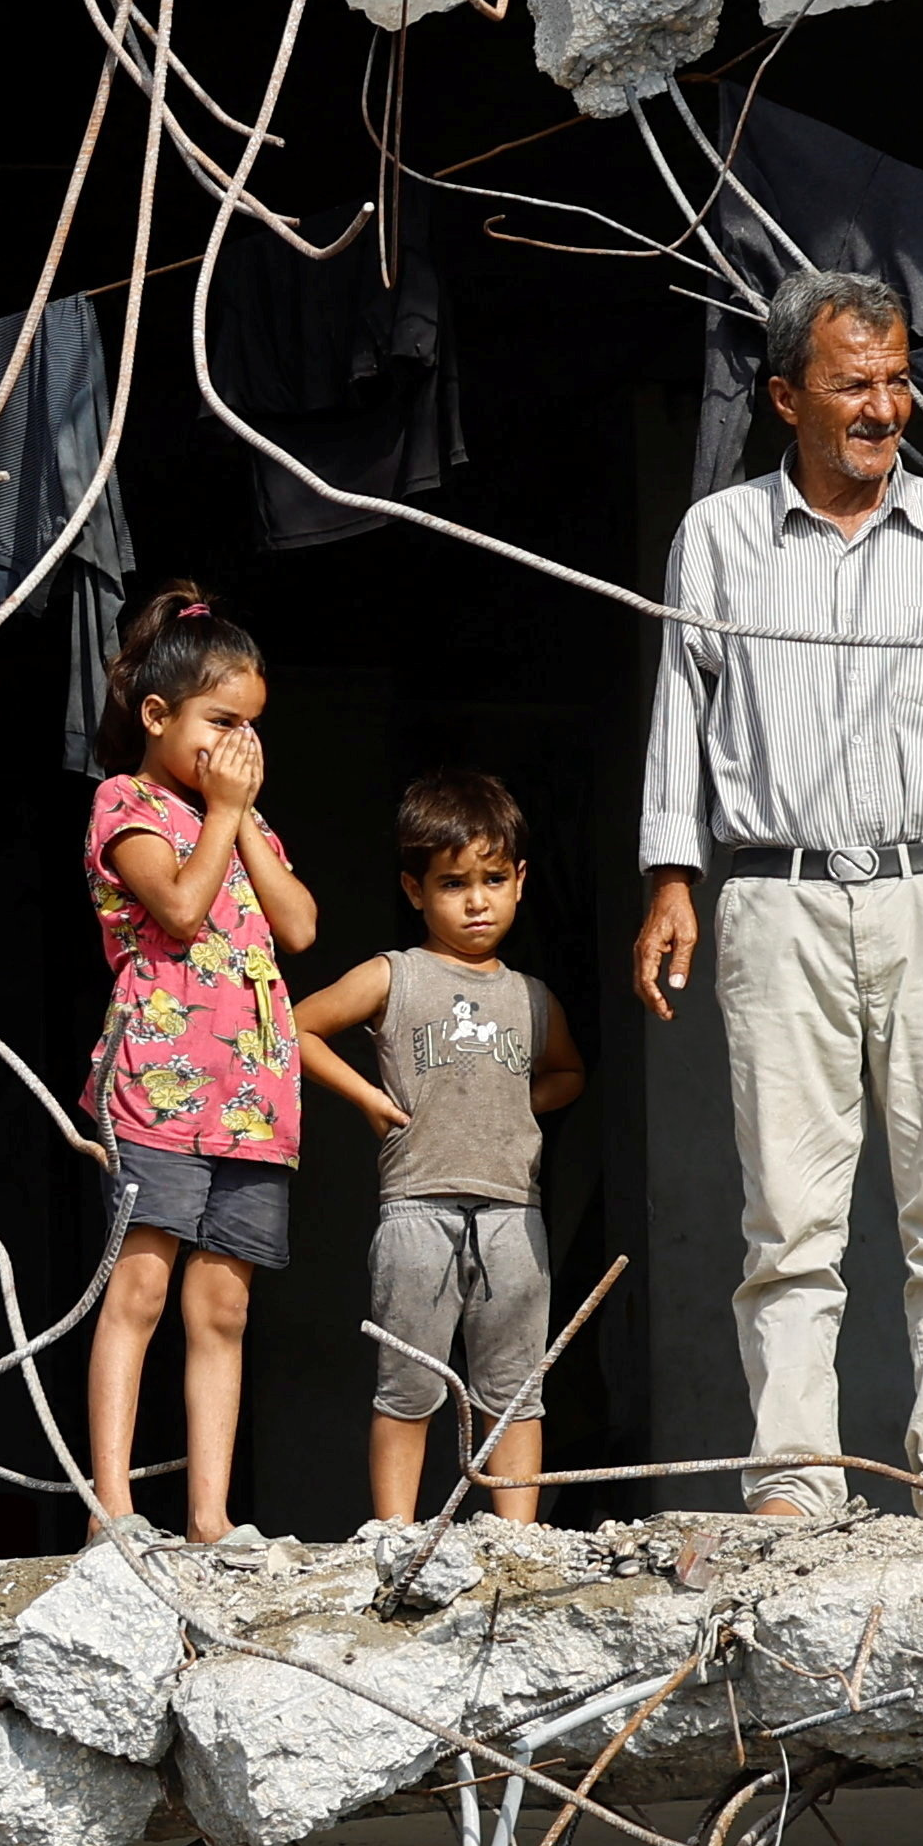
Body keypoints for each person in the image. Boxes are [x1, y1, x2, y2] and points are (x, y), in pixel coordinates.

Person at [633, 267, 923, 1519]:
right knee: (787, 1215)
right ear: (786, 395)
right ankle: (792, 1477)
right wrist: (673, 876)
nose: (885, 406)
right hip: (774, 900)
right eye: (854, 383)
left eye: (898, 379)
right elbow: (682, 718)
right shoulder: (718, 539)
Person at [79, 588, 386, 1536]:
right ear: (157, 716)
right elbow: (175, 907)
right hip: (157, 1091)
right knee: (140, 1288)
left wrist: (242, 814)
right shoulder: (124, 804)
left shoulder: (244, 821)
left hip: (253, 1098)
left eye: (251, 726)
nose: (238, 744)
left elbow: (298, 927)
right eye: (221, 722)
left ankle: (210, 1516)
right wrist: (220, 813)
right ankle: (113, 1505)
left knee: (222, 1308)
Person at [297, 766, 585, 1526]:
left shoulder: (531, 994)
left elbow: (568, 1074)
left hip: (513, 1213)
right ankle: (394, 1532)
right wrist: (368, 1098)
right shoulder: (397, 976)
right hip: (417, 1208)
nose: (477, 900)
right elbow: (297, 1027)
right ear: (414, 889)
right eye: (454, 882)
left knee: (516, 1388)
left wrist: (512, 1099)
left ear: (521, 881)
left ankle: (514, 1537)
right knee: (410, 1384)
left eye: (493, 878)